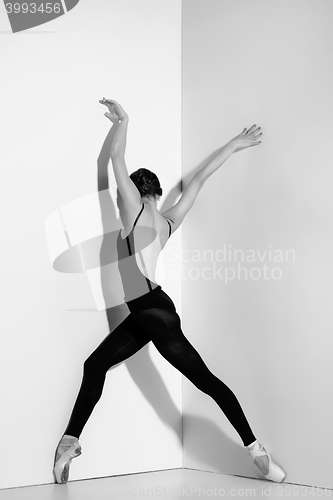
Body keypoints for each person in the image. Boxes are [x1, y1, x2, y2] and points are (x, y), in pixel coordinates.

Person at [53, 99, 286, 485]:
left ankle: (256, 449)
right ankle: (69, 442)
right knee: (96, 366)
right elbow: (199, 181)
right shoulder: (166, 220)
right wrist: (233, 144)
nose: (118, 198)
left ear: (135, 191)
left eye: (122, 193)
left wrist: (123, 121)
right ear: (158, 193)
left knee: (204, 379)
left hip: (151, 309)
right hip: (151, 311)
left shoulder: (134, 210)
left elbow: (115, 157)